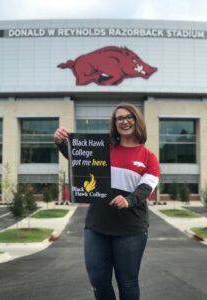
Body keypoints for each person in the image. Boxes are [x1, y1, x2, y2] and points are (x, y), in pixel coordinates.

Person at [54, 103, 160, 300]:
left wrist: (129, 199)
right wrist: (61, 142)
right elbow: (79, 158)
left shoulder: (148, 157)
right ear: (114, 123)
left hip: (131, 229)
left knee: (127, 282)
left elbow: (146, 188)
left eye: (129, 117)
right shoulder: (104, 150)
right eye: (119, 118)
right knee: (99, 282)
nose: (124, 121)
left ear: (137, 121)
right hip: (96, 227)